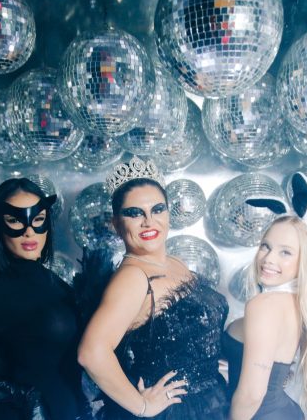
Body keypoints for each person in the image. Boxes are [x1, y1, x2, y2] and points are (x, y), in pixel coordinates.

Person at [77, 156, 230, 419]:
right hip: (175, 413)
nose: (149, 221)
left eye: (157, 209)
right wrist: (143, 406)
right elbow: (91, 353)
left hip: (210, 401)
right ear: (116, 223)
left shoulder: (175, 263)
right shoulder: (133, 278)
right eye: (135, 213)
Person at [0, 177, 87, 420]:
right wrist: (24, 397)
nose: (29, 231)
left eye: (38, 219)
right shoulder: (1, 291)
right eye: (15, 220)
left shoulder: (54, 282)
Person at [223, 173, 307, 420]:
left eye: (285, 252)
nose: (269, 259)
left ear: (304, 261)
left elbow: (252, 395)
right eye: (266, 246)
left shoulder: (265, 305)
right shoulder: (296, 303)